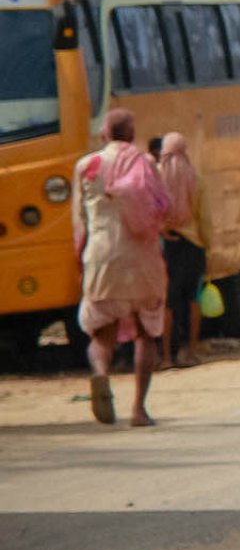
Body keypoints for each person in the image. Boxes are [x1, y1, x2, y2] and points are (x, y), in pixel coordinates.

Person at [73, 108, 171, 427]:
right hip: (142, 259)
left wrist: (81, 260)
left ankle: (101, 375)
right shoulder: (145, 163)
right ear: (131, 134)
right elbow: (163, 206)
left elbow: (80, 223)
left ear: (104, 134)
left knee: (102, 334)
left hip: (101, 255)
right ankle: (139, 410)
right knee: (146, 333)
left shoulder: (85, 166)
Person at [157, 132, 209, 367]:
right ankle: (191, 352)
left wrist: (162, 227)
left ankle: (167, 357)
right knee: (193, 299)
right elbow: (205, 218)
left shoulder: (157, 177)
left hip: (167, 246)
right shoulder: (196, 178)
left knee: (168, 303)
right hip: (194, 244)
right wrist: (208, 244)